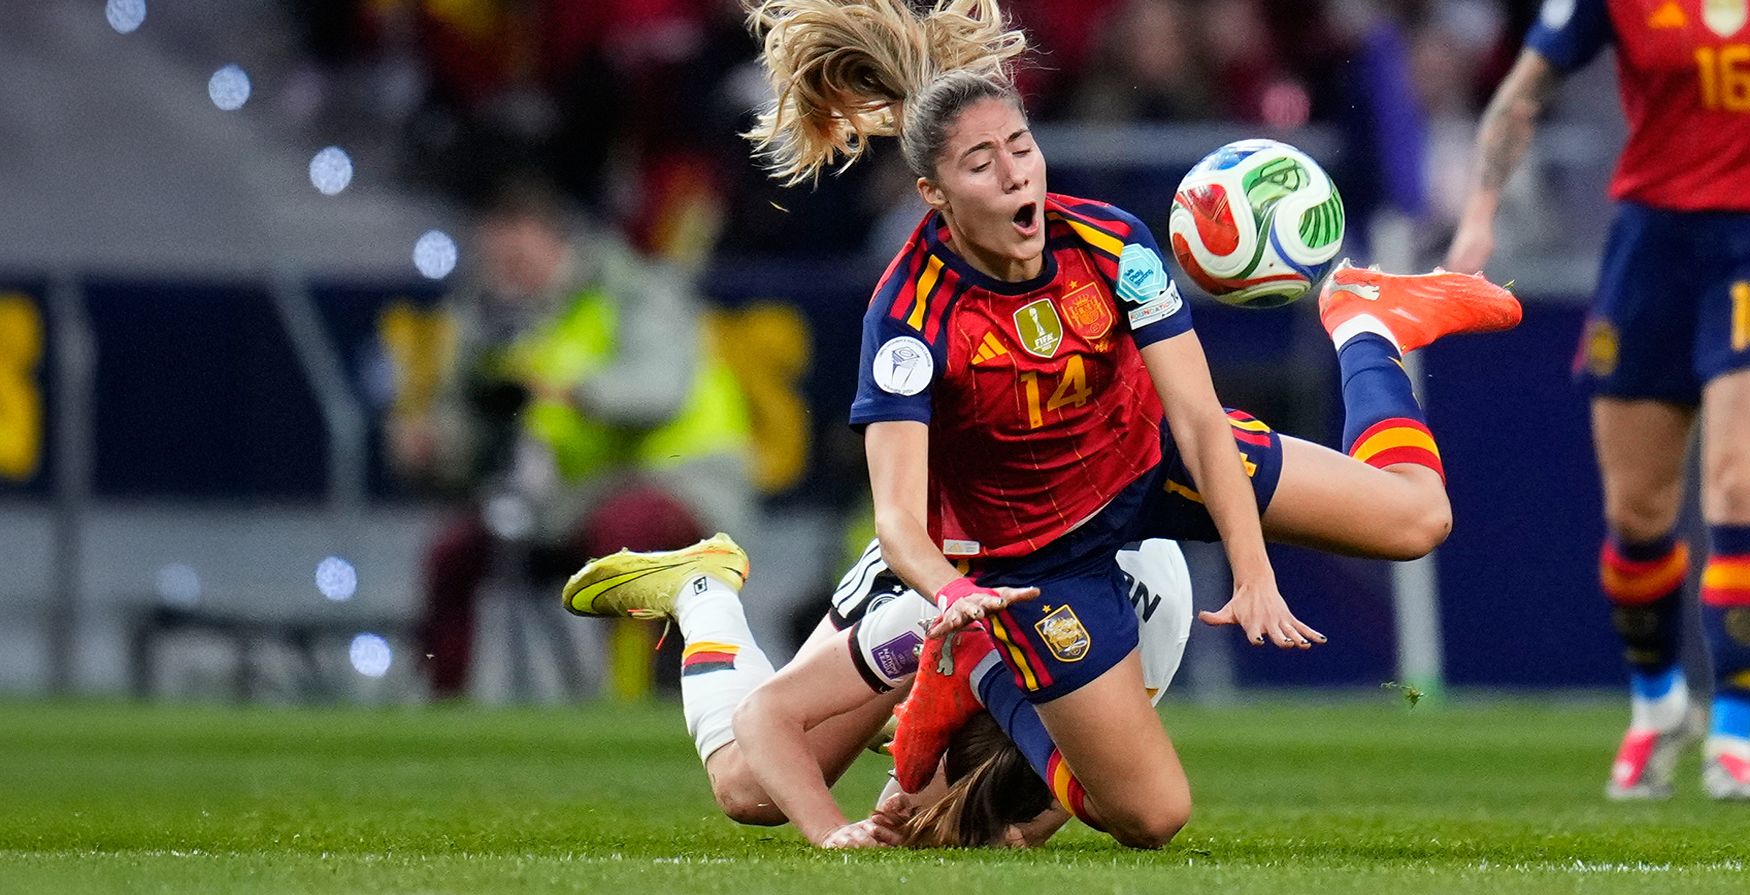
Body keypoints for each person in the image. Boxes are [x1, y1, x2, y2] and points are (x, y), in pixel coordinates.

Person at [732, 0, 1521, 849]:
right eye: (982, 164)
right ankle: (973, 669)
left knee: (1418, 518)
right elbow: (895, 516)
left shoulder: (1112, 243)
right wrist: (956, 596)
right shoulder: (909, 316)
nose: (1016, 176)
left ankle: (1366, 321)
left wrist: (1251, 571)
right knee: (1147, 817)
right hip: (1035, 556)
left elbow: (1197, 416)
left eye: (1023, 149)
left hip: (1153, 463)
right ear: (934, 195)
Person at [1445, 0, 1750, 800]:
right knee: (1638, 516)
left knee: (1737, 487)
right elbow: (1526, 89)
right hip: (1652, 249)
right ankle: (1658, 703)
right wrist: (1479, 217)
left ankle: (1735, 734)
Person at [561, 535, 1196, 848]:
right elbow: (766, 715)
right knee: (752, 791)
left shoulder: (1118, 675)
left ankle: (916, 752)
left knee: (952, 830)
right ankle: (702, 590)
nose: (895, 794)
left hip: (1106, 593)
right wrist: (832, 832)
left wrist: (997, 831)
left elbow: (1078, 796)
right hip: (941, 555)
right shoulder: (930, 621)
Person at [390, 177, 756, 698]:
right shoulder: (491, 318)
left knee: (623, 537)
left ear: (558, 242)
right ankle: (443, 706)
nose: (507, 275)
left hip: (684, 481)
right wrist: (434, 447)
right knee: (452, 553)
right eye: (497, 261)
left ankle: (636, 700)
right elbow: (477, 428)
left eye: (518, 258)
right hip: (570, 499)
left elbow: (660, 392)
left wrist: (576, 391)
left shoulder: (636, 290)